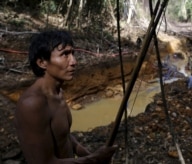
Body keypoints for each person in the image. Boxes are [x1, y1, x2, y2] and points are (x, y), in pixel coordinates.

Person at [14, 30, 117, 164]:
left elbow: (63, 135)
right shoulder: (32, 104)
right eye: (65, 55)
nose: (73, 61)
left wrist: (86, 153)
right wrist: (94, 159)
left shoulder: (57, 93)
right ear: (42, 62)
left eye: (72, 53)